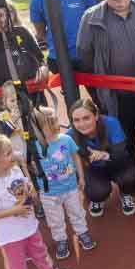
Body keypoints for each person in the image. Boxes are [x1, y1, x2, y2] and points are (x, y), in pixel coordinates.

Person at [77, 0, 135, 193]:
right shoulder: (91, 17)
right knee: (124, 141)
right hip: (114, 96)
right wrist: (98, 92)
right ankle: (131, 177)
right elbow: (84, 54)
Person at [0, 133, 75, 269]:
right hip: (11, 236)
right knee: (18, 263)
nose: (13, 154)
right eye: (7, 153)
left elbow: (23, 183)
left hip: (29, 225)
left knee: (40, 251)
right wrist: (13, 210)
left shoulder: (14, 170)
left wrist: (29, 187)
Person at [31, 106, 95, 259]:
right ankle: (61, 240)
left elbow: (76, 157)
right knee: (55, 219)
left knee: (77, 212)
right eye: (49, 123)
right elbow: (30, 166)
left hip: (70, 188)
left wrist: (81, 176)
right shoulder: (34, 147)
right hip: (49, 193)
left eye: (54, 121)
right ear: (38, 128)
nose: (55, 125)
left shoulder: (66, 139)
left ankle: (82, 232)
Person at [66, 98, 135, 217]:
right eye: (76, 120)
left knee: (131, 177)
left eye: (86, 118)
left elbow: (122, 154)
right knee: (97, 192)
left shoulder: (111, 123)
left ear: (96, 115)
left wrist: (105, 155)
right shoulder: (69, 136)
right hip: (93, 169)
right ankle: (96, 198)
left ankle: (125, 193)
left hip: (115, 163)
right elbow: (67, 162)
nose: (82, 124)